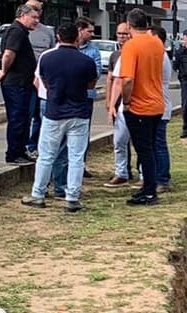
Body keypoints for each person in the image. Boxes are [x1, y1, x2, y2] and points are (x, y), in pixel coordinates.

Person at [21, 21, 96, 213]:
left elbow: (43, 82)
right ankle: (72, 197)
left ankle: (38, 194)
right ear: (77, 38)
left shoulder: (47, 58)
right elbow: (91, 84)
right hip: (79, 112)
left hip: (54, 111)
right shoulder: (86, 61)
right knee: (76, 157)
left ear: (58, 38)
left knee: (46, 155)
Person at [113, 9, 165, 206]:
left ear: (129, 25)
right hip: (156, 103)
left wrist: (126, 103)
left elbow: (127, 80)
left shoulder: (131, 46)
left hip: (139, 105)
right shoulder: (157, 43)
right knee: (149, 148)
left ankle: (150, 191)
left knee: (144, 151)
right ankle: (148, 186)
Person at [0, 3, 39, 164]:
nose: (36, 21)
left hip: (24, 82)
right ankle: (13, 153)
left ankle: (21, 150)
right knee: (17, 118)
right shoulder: (16, 31)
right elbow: (8, 54)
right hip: (15, 83)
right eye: (34, 17)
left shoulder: (22, 32)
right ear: (22, 16)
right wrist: (3, 71)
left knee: (25, 118)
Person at [24, 0, 56, 156]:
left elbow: (52, 54)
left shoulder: (47, 32)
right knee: (25, 115)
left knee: (40, 115)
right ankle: (22, 146)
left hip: (43, 81)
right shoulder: (19, 30)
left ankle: (35, 145)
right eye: (31, 9)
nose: (35, 12)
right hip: (25, 80)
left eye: (37, 9)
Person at [103, 21, 133, 187]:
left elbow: (125, 81)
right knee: (120, 141)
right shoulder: (115, 55)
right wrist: (110, 102)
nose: (122, 37)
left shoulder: (133, 52)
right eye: (119, 34)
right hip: (119, 104)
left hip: (133, 103)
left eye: (125, 34)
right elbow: (111, 80)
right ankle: (123, 171)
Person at [75, 17, 103, 177]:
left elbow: (96, 72)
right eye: (89, 31)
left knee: (83, 132)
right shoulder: (68, 46)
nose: (92, 34)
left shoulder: (93, 50)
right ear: (80, 30)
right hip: (68, 96)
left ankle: (81, 165)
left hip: (86, 96)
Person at [152, 25, 172, 189]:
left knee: (158, 145)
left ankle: (162, 178)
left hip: (160, 105)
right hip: (156, 105)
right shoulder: (159, 55)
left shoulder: (160, 57)